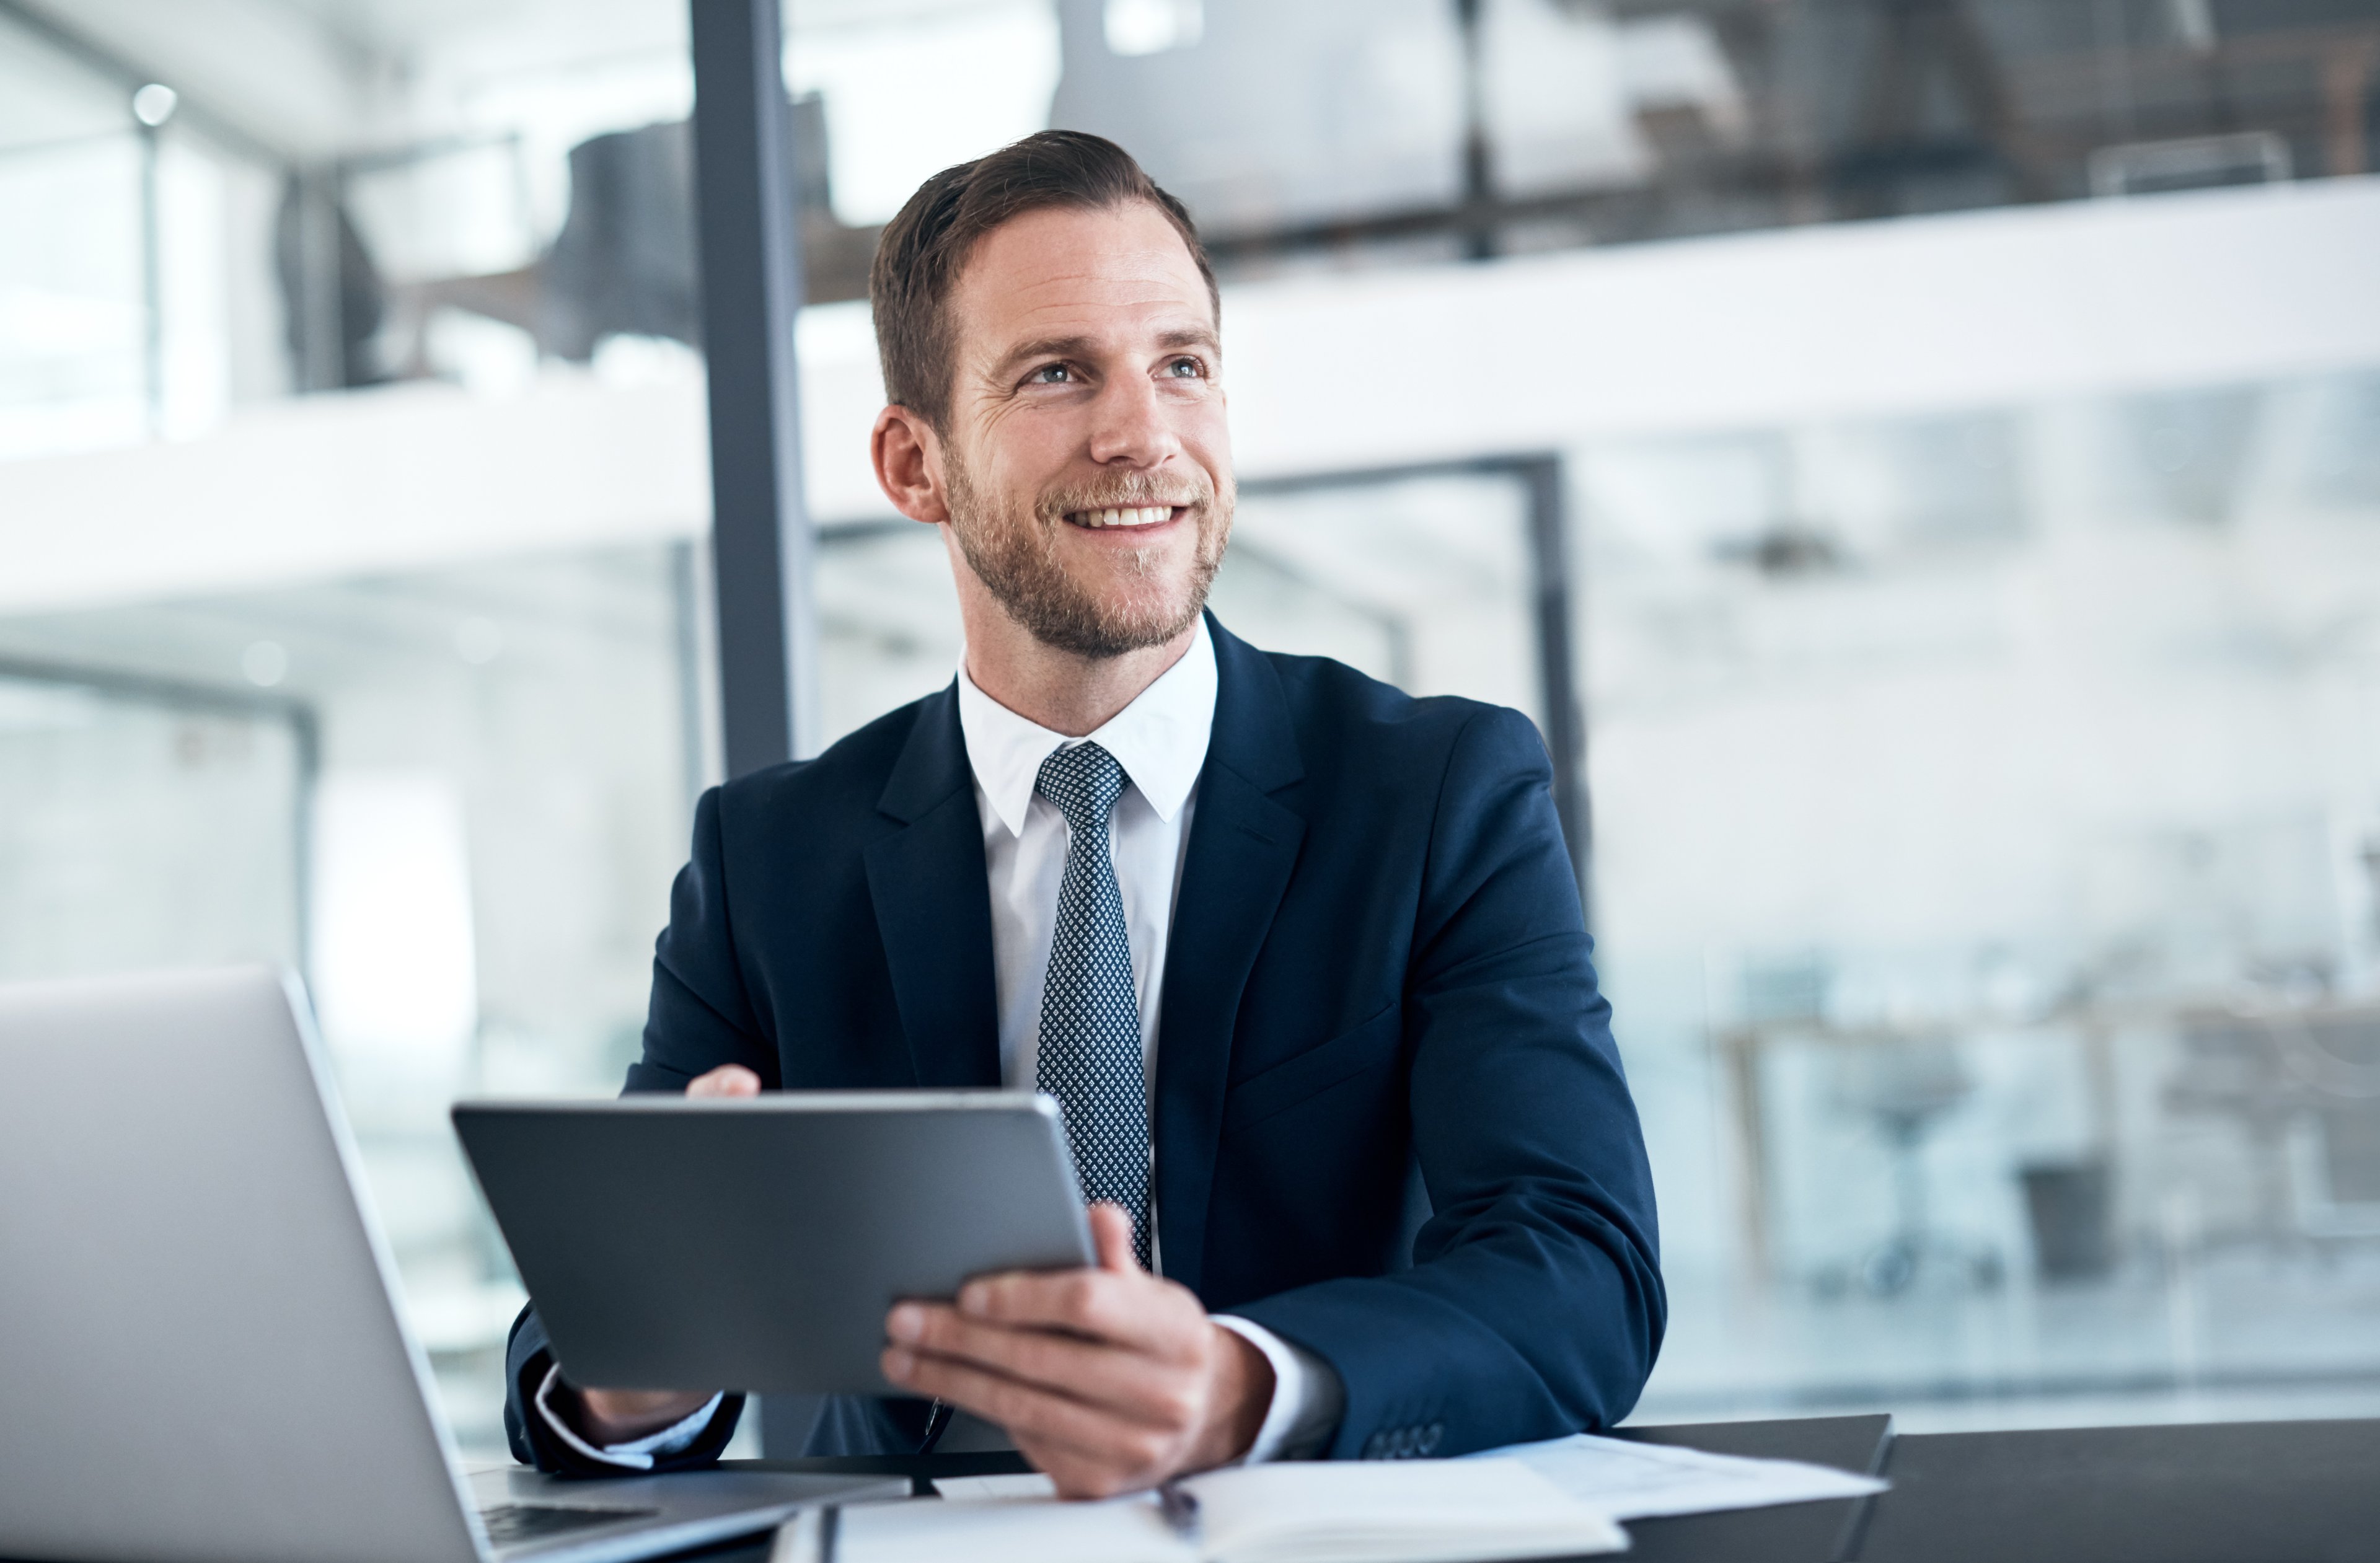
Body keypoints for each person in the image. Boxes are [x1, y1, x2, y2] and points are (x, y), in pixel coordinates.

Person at [503, 130, 1662, 1500]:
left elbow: (1581, 1264)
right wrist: (637, 1360)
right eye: (1059, 374)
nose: (1143, 434)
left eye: (1182, 364)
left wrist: (1238, 1385)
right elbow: (594, 1328)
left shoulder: (1437, 797)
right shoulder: (771, 863)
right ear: (913, 464)